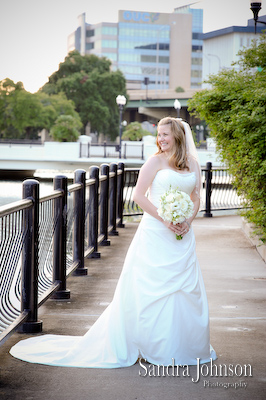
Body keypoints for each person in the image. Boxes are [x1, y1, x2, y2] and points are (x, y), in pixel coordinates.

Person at [10, 117, 216, 368]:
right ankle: (145, 344)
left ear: (179, 136)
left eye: (165, 134)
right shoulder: (154, 161)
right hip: (155, 232)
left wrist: (188, 220)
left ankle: (176, 345)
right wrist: (166, 218)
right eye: (159, 135)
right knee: (147, 288)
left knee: (183, 290)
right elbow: (139, 196)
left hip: (182, 235)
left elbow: (195, 198)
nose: (161, 139)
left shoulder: (192, 164)